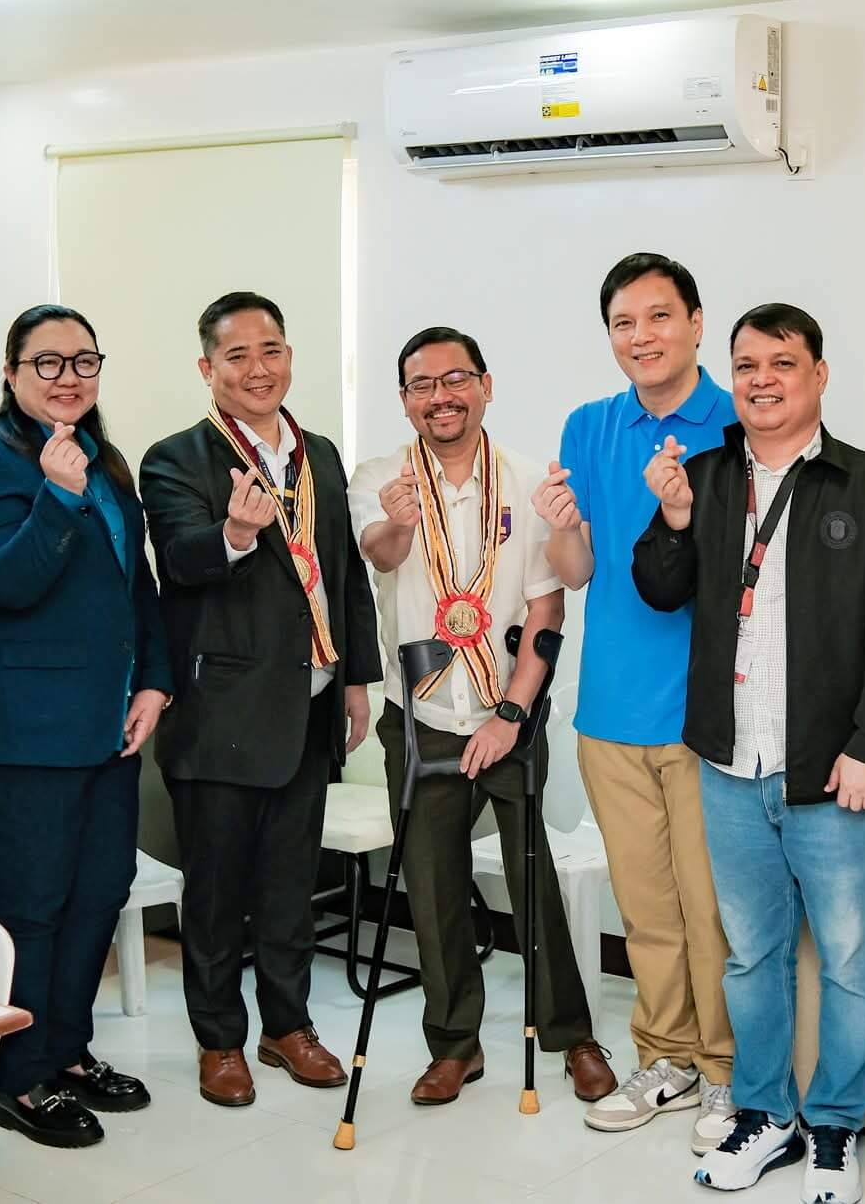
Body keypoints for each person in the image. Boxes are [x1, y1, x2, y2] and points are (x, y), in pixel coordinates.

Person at [631, 302, 865, 1204]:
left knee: (850, 960)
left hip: (833, 770)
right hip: (729, 765)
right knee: (751, 955)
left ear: (818, 374)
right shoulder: (707, 476)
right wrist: (673, 516)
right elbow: (659, 588)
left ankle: (834, 1123)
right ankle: (766, 1114)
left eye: (782, 363)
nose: (761, 380)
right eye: (746, 364)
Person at [348, 326, 617, 1111]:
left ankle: (572, 1036)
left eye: (456, 379)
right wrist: (400, 521)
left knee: (532, 878)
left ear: (485, 386)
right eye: (422, 384)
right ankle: (454, 1045)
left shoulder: (528, 483)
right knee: (432, 884)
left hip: (508, 710)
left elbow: (546, 612)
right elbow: (381, 553)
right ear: (405, 400)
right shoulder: (380, 477)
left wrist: (510, 714)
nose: (441, 396)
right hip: (423, 713)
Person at [139, 292, 381, 1109]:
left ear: (289, 357)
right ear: (207, 368)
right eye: (236, 355)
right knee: (216, 893)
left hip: (310, 705)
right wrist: (235, 536)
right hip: (221, 713)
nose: (257, 368)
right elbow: (179, 558)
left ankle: (288, 1025)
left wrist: (355, 676)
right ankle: (219, 1039)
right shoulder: (177, 458)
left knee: (288, 885)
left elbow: (342, 571)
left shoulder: (320, 454)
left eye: (270, 350)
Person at [0, 305, 172, 1151]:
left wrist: (154, 681)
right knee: (32, 904)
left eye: (83, 360)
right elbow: (6, 583)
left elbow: (136, 585)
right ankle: (19, 1074)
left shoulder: (104, 459)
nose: (68, 376)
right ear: (11, 372)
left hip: (110, 723)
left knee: (100, 891)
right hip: (27, 730)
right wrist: (57, 494)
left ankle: (68, 1050)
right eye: (47, 361)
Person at [538, 253, 740, 1150]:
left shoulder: (737, 420)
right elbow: (578, 572)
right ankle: (666, 1057)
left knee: (713, 910)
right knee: (648, 909)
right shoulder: (590, 425)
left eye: (659, 316)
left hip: (708, 713)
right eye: (624, 322)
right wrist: (561, 528)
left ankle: (728, 1071)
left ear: (696, 322)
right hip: (610, 709)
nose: (642, 336)